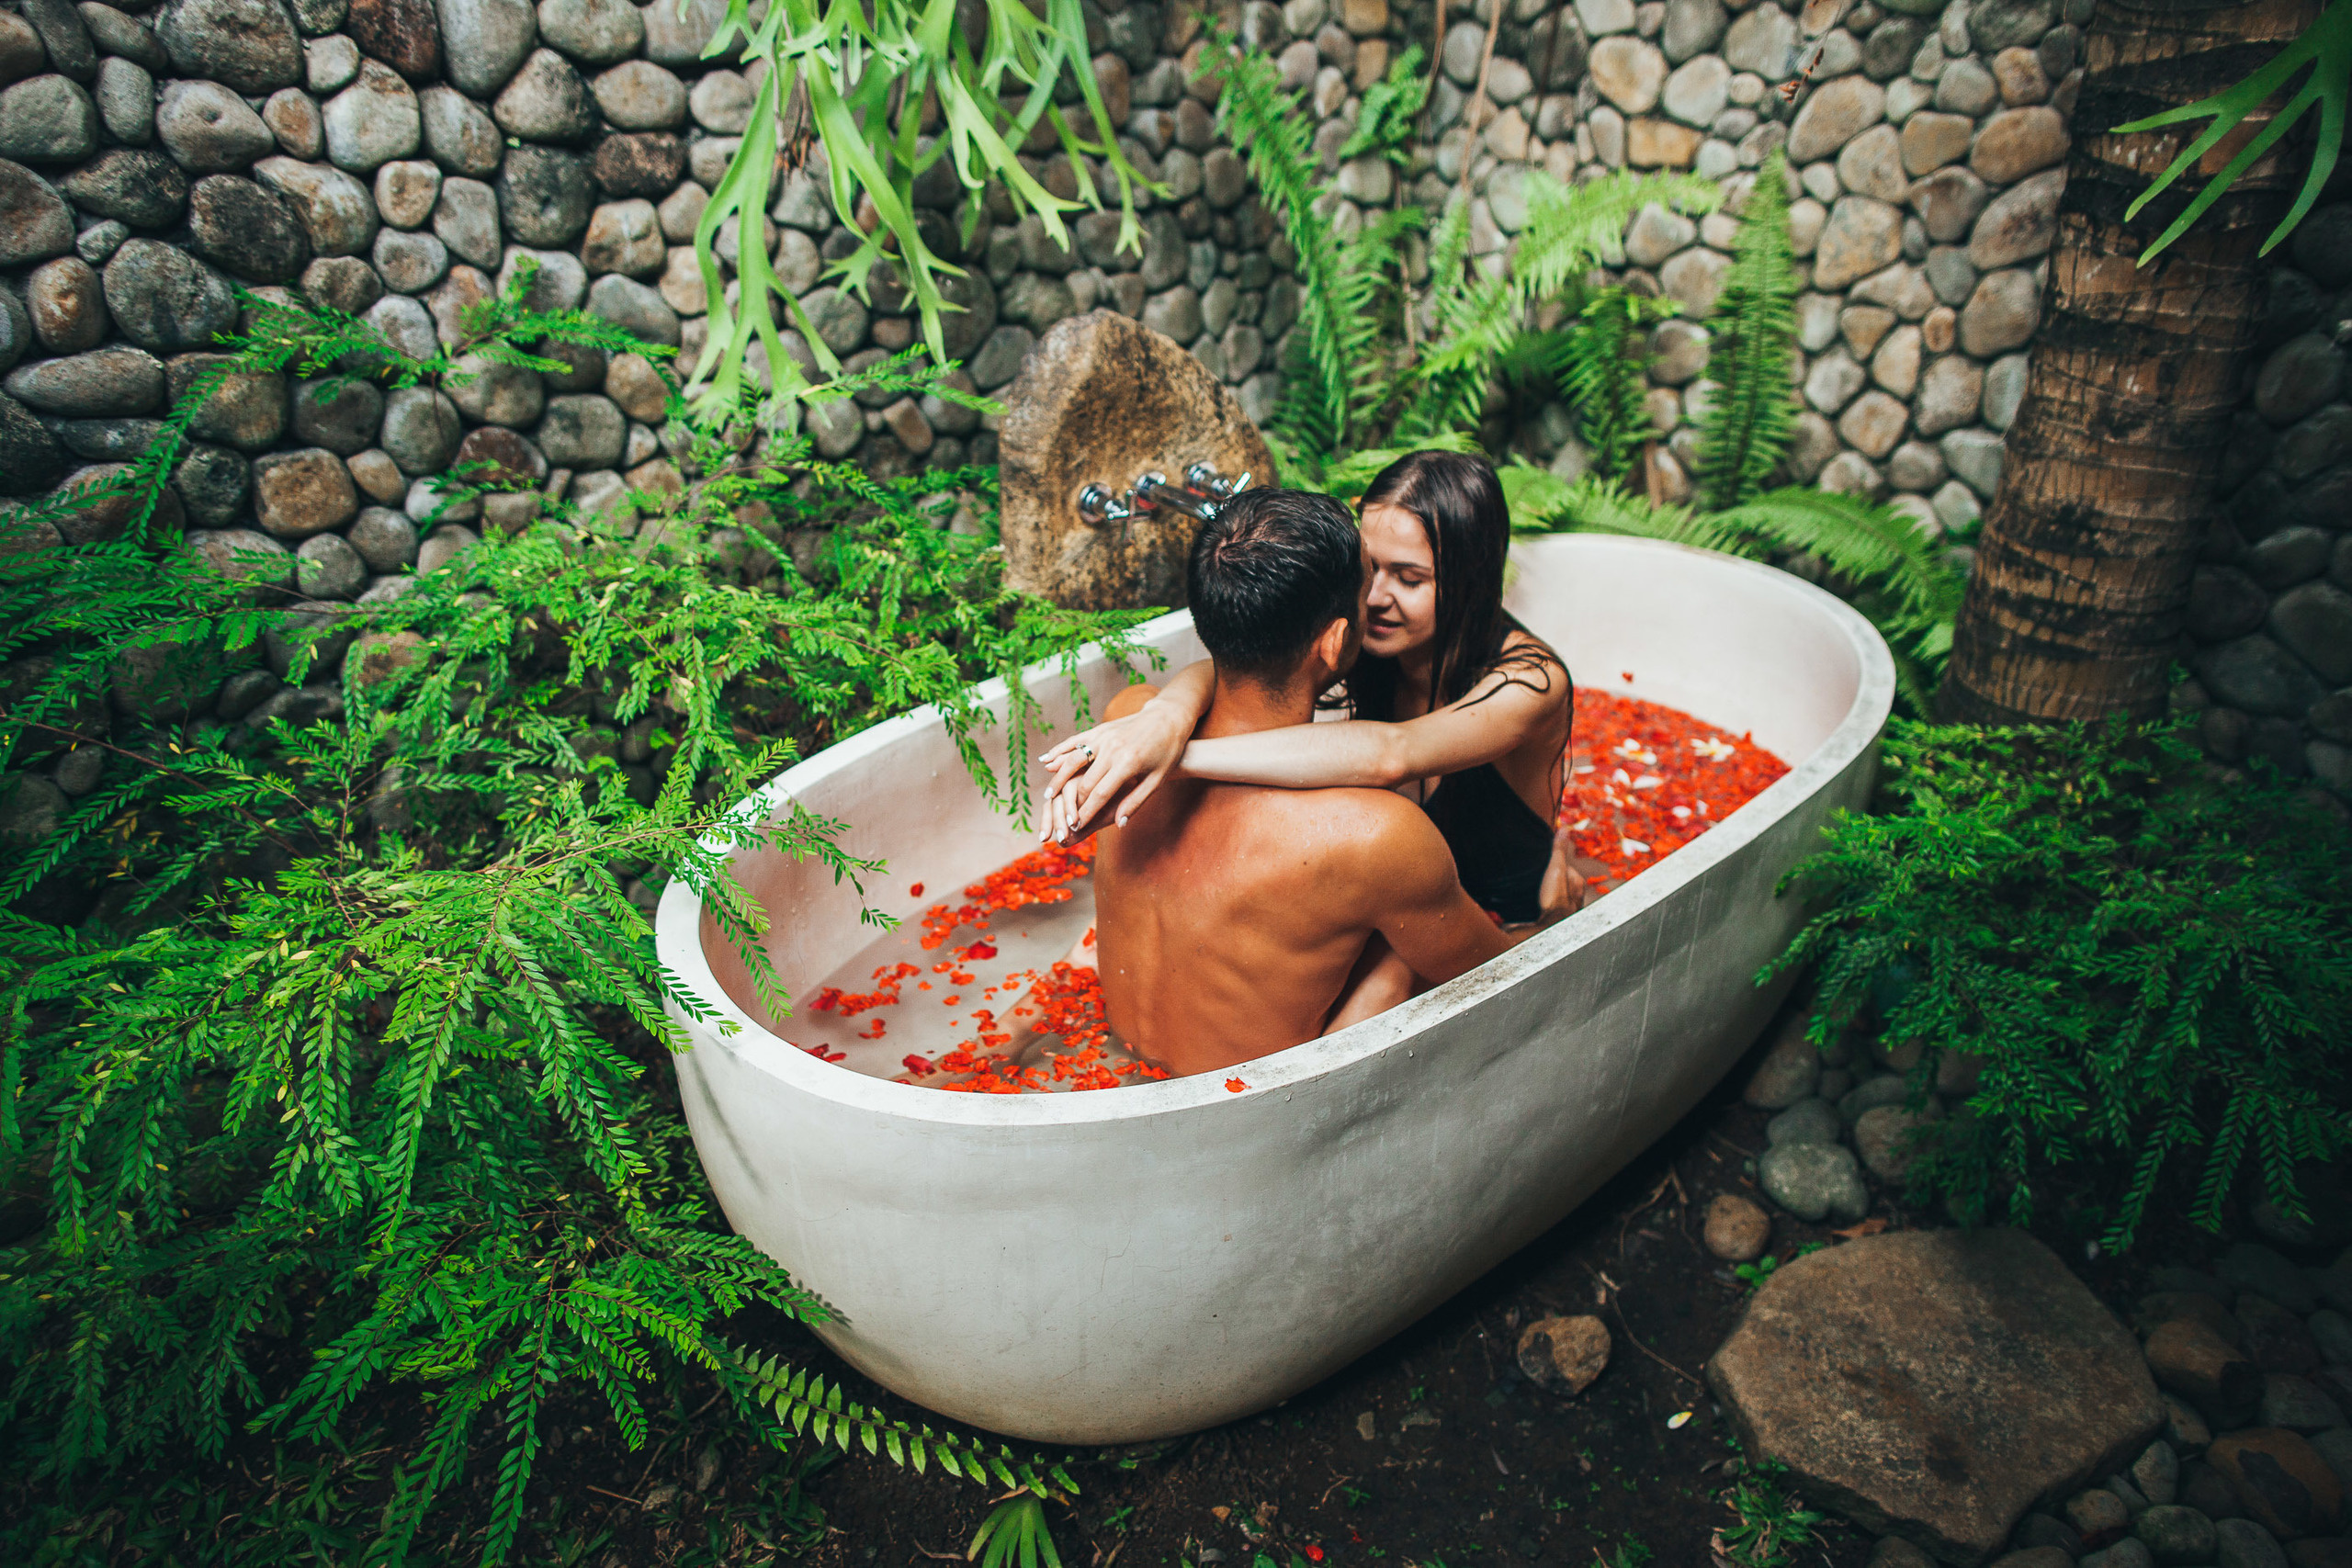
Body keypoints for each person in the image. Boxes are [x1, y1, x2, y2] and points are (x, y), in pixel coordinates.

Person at [1085, 488, 1577, 1079]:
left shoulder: (1126, 726)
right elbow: (1506, 981)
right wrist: (1553, 922)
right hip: (1259, 1117)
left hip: (1109, 1063)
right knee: (1401, 945)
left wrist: (1170, 721)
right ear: (1339, 641)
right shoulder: (1372, 836)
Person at [1041, 450, 1584, 926]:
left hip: (1504, 930)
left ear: (1473, 582)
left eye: (1410, 579)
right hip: (1393, 915)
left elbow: (1393, 754)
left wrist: (1174, 759)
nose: (1375, 597)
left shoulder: (1530, 681)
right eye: (1371, 569)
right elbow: (1243, 665)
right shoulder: (1366, 640)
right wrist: (1164, 720)